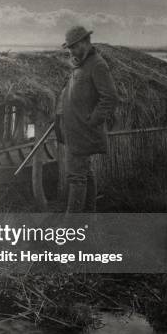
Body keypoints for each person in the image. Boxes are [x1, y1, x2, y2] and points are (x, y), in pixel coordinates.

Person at [56, 26, 119, 213]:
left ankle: (71, 228)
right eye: (69, 48)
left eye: (74, 47)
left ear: (85, 42)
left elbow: (110, 97)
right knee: (86, 174)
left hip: (82, 130)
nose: (70, 51)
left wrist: (91, 121)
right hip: (73, 129)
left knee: (76, 177)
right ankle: (89, 218)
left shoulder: (97, 65)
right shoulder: (79, 65)